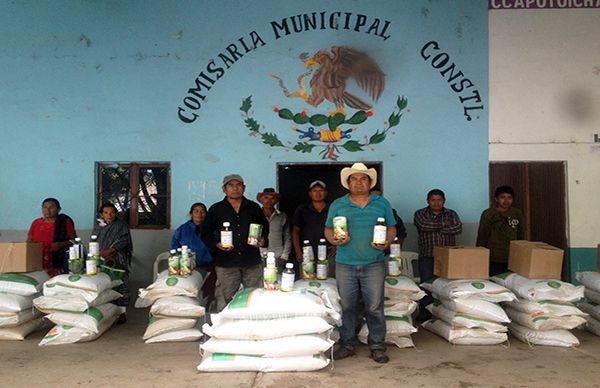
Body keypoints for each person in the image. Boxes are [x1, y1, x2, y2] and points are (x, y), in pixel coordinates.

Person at [324, 163, 396, 364]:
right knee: (347, 306)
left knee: (374, 306)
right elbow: (328, 229)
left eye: (363, 178)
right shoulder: (338, 204)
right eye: (354, 179)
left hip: (374, 263)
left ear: (370, 182)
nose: (358, 182)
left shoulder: (382, 203)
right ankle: (347, 344)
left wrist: (387, 242)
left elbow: (392, 227)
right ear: (348, 183)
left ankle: (377, 346)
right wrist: (333, 240)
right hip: (345, 263)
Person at [201, 174, 269, 312]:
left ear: (244, 188)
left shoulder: (254, 207)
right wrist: (216, 244)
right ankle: (223, 330)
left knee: (254, 297)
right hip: (226, 263)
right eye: (231, 185)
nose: (235, 188)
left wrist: (262, 239)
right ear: (224, 189)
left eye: (238, 185)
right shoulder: (216, 209)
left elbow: (265, 227)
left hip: (251, 261)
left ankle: (252, 329)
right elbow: (205, 232)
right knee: (225, 298)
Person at [413, 189, 462, 320]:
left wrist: (434, 225)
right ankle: (425, 314)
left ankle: (444, 314)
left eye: (439, 200)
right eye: (433, 200)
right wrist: (444, 225)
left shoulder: (451, 213)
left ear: (444, 201)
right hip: (427, 255)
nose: (436, 203)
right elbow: (423, 226)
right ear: (428, 201)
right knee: (426, 286)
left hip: (448, 258)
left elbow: (458, 228)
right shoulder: (420, 213)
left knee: (447, 286)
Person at [93, 202, 133, 321]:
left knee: (120, 285)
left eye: (112, 213)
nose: (109, 215)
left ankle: (121, 313)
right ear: (101, 215)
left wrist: (110, 251)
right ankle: (107, 312)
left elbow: (124, 240)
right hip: (100, 260)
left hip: (117, 259)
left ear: (116, 214)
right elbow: (93, 241)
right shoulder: (98, 226)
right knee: (104, 285)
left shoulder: (121, 225)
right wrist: (99, 254)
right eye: (106, 213)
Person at [476, 185, 526, 276]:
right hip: (494, 257)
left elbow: (521, 234)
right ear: (496, 199)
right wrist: (480, 255)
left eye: (509, 198)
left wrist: (521, 252)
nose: (506, 201)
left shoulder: (517, 213)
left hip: (512, 256)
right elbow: (482, 235)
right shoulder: (488, 214)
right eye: (503, 197)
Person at [171, 202, 215, 303]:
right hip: (187, 268)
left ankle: (207, 309)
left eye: (202, 211)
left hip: (209, 267)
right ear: (191, 213)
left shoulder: (212, 229)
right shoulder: (182, 230)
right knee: (190, 292)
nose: (199, 214)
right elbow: (174, 248)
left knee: (208, 292)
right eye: (196, 211)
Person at [292, 180, 334, 275]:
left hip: (329, 253)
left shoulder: (332, 208)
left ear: (326, 193)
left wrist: (336, 246)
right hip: (307, 252)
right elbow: (295, 232)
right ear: (310, 194)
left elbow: (339, 229)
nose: (318, 193)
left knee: (329, 282)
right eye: (315, 191)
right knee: (307, 282)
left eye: (321, 190)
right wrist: (298, 251)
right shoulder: (302, 209)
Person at [28, 198, 77, 276]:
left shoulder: (64, 222)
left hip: (56, 260)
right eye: (45, 207)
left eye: (51, 207)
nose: (48, 210)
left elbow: (75, 241)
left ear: (58, 209)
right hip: (38, 260)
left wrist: (60, 244)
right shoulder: (36, 223)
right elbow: (29, 242)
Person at [256, 188, 291, 267]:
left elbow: (287, 237)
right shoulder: (255, 216)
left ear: (276, 201)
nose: (269, 201)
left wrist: (285, 255)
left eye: (272, 198)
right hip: (258, 257)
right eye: (266, 198)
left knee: (277, 278)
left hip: (278, 256)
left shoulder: (282, 216)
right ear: (261, 200)